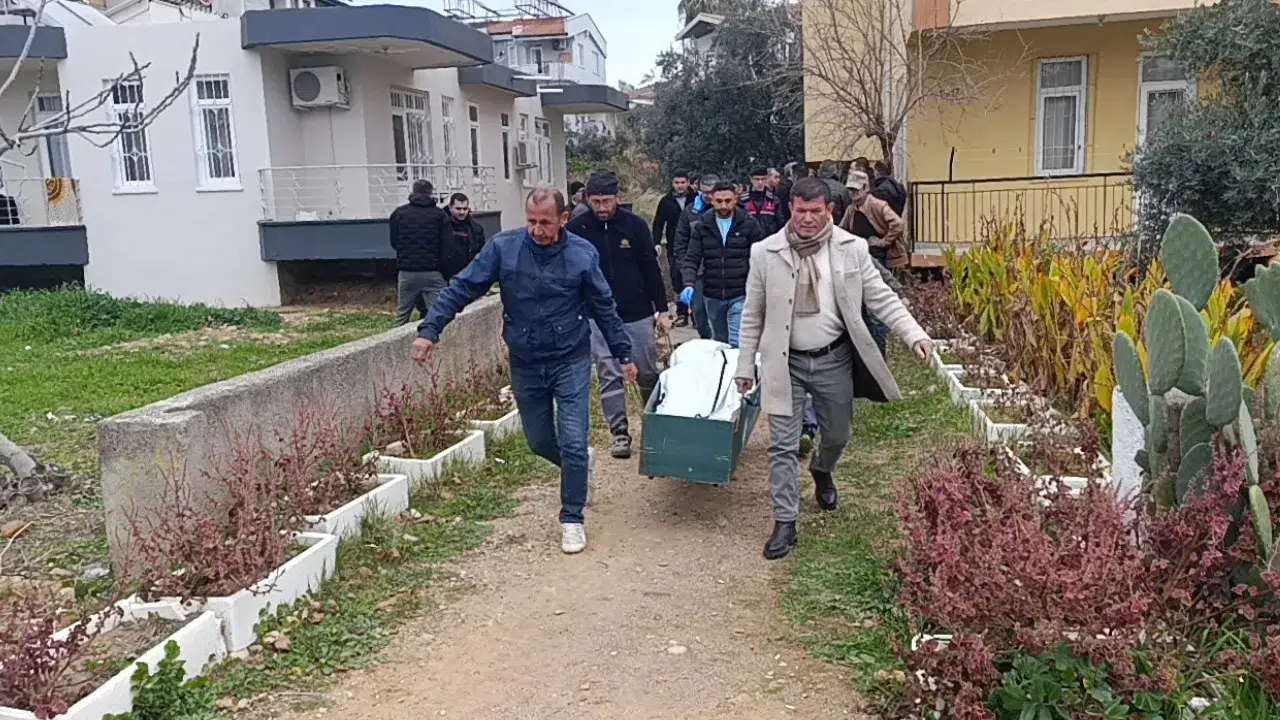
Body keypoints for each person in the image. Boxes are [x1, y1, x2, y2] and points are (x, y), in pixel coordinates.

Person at [413, 187, 637, 555]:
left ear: (563, 220)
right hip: (526, 361)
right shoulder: (504, 248)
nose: (536, 229)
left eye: (545, 223)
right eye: (531, 221)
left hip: (570, 360)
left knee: (573, 438)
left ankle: (572, 519)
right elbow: (462, 288)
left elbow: (604, 307)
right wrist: (430, 330)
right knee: (538, 441)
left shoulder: (582, 255)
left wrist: (623, 355)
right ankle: (578, 466)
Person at [735, 177, 933, 560]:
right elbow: (752, 314)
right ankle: (785, 521)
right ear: (790, 208)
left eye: (815, 211)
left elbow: (881, 298)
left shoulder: (852, 249)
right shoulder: (765, 252)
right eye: (800, 210)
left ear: (830, 211)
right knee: (782, 445)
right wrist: (746, 365)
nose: (807, 219)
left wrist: (915, 335)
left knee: (838, 434)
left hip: (833, 358)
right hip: (785, 361)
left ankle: (822, 469)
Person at [567, 171, 669, 459]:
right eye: (596, 202)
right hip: (596, 316)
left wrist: (661, 309)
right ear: (587, 199)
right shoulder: (577, 230)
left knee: (647, 370)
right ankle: (620, 431)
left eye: (607, 201)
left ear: (618, 199)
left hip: (636, 312)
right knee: (609, 373)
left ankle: (656, 423)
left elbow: (651, 269)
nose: (601, 208)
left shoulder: (635, 227)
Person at [680, 181, 765, 347]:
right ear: (711, 200)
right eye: (719, 201)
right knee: (720, 341)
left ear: (735, 199)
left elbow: (761, 256)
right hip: (713, 294)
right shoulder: (702, 226)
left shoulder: (749, 224)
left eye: (728, 200)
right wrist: (689, 283)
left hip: (740, 292)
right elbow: (692, 258)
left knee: (736, 342)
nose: (724, 205)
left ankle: (738, 372)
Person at [390, 179, 447, 326]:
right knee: (439, 314)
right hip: (433, 272)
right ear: (430, 193)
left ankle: (396, 345)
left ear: (413, 192)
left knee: (402, 315)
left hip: (407, 272)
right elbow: (447, 247)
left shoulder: (399, 213)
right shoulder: (439, 215)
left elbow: (394, 242)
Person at [674, 174, 719, 339]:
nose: (708, 196)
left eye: (712, 192)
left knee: (719, 314)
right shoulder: (690, 213)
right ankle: (706, 340)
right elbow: (680, 243)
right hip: (697, 272)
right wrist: (684, 269)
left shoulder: (725, 212)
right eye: (705, 192)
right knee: (699, 313)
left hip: (720, 271)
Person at [653, 169, 695, 327]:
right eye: (677, 183)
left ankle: (697, 314)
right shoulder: (666, 201)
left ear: (688, 183)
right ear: (672, 184)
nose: (680, 186)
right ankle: (682, 313)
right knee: (677, 279)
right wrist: (656, 242)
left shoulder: (696, 199)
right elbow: (658, 224)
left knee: (695, 279)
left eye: (683, 182)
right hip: (673, 246)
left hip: (695, 244)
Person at [440, 193, 487, 281]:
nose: (462, 212)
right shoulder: (442, 226)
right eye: (458, 209)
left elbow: (481, 253)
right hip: (445, 276)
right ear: (450, 208)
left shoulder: (476, 229)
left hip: (468, 275)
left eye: (465, 209)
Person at [740, 166, 783, 237]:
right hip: (748, 240)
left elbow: (780, 223)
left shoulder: (774, 200)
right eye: (756, 179)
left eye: (763, 179)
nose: (760, 182)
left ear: (767, 179)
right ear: (751, 179)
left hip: (769, 240)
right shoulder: (742, 200)